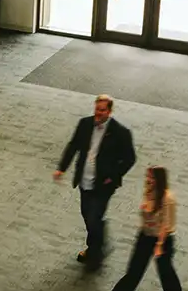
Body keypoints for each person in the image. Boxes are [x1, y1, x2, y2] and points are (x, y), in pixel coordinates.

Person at [53, 94, 136, 270]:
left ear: (110, 111)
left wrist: (113, 176)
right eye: (97, 109)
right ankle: (98, 246)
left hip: (103, 185)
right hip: (84, 181)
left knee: (93, 216)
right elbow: (73, 145)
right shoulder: (85, 124)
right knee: (87, 215)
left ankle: (95, 253)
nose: (98, 113)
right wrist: (62, 167)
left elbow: (130, 158)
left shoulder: (121, 133)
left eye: (102, 110)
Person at [105, 166, 184, 291]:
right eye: (148, 177)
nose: (148, 180)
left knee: (165, 270)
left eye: (152, 178)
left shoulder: (167, 198)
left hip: (163, 239)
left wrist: (159, 245)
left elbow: (166, 225)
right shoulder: (149, 191)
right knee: (134, 269)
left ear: (159, 180)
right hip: (146, 235)